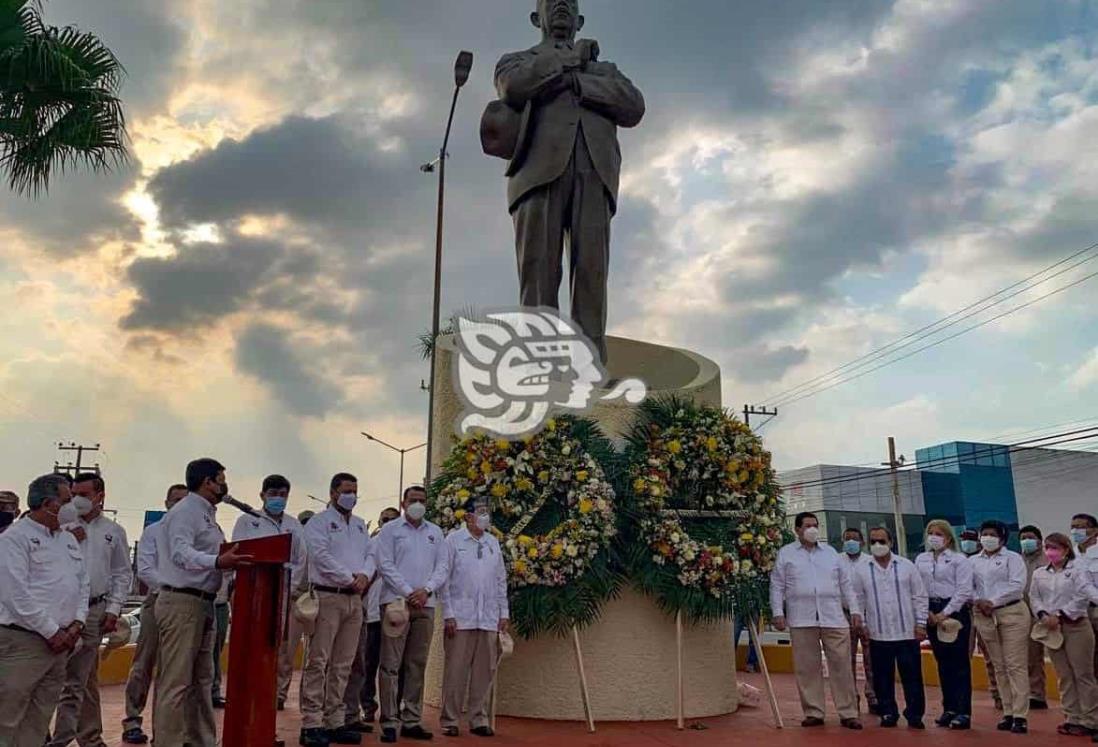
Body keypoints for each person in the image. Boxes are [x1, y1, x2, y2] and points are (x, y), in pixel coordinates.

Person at [491, 0, 646, 363]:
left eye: (570, 3)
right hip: (537, 175)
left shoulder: (606, 70)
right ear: (536, 18)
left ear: (579, 19)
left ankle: (590, 366)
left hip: (595, 172)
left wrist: (578, 81)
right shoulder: (516, 61)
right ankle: (541, 365)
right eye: (551, 2)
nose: (561, 5)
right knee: (539, 274)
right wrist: (571, 60)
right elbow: (514, 87)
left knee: (591, 274)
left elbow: (633, 106)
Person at [152, 458, 252, 747]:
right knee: (176, 683)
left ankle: (202, 741)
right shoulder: (186, 512)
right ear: (207, 482)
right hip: (182, 603)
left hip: (205, 603)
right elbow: (181, 554)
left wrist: (230, 563)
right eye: (221, 479)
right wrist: (218, 561)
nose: (224, 485)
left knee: (202, 681)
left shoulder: (207, 514)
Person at [0, 474, 87, 745]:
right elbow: (15, 594)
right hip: (24, 642)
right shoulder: (15, 538)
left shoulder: (68, 539)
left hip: (61, 644)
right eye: (67, 500)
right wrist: (52, 632)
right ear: (49, 504)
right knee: (7, 717)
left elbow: (81, 583)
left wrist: (77, 624)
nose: (73, 506)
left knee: (38, 719)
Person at [47, 473, 133, 747]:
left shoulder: (114, 532)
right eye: (74, 494)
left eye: (84, 494)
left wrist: (114, 608)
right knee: (51, 676)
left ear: (100, 496)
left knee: (82, 679)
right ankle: (44, 735)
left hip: (94, 610)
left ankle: (89, 737)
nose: (78, 500)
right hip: (59, 611)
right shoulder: (59, 527)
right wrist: (65, 538)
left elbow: (122, 573)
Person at [769, 512, 863, 729]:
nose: (813, 529)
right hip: (801, 617)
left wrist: (855, 610)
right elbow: (777, 585)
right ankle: (814, 712)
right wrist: (777, 612)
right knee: (807, 667)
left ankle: (848, 712)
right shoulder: (786, 554)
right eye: (808, 525)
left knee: (841, 665)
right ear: (798, 530)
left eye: (815, 525)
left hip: (834, 616)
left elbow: (846, 585)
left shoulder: (831, 553)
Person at [300, 473, 373, 747]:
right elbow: (320, 555)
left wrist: (365, 575)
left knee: (344, 663)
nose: (351, 496)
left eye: (355, 491)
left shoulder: (359, 526)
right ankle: (311, 723)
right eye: (346, 490)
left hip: (355, 600)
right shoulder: (318, 523)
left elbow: (371, 555)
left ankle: (334, 720)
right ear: (332, 493)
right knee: (318, 661)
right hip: (328, 596)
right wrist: (349, 578)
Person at [377, 485, 450, 743]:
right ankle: (389, 720)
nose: (418, 504)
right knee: (390, 665)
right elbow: (384, 564)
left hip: (426, 606)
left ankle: (411, 719)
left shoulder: (435, 532)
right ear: (403, 503)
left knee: (417, 664)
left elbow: (443, 566)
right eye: (413, 500)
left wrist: (426, 590)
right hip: (396, 604)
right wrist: (409, 592)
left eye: (422, 500)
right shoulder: (390, 530)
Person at [229, 474, 308, 713]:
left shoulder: (293, 525)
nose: (278, 499)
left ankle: (277, 694)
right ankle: (249, 689)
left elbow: (300, 559)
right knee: (251, 645)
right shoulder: (247, 521)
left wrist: (289, 587)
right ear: (262, 495)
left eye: (283, 495)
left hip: (284, 593)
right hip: (251, 592)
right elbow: (239, 552)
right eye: (273, 494)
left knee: (283, 647)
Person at [121, 484, 188, 745]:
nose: (180, 504)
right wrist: (170, 588)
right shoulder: (154, 532)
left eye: (185, 500)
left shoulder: (194, 532)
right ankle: (132, 720)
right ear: (167, 502)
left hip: (186, 606)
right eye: (175, 500)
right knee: (143, 663)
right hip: (158, 601)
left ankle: (167, 728)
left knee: (175, 670)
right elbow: (145, 569)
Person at [439, 498, 510, 737]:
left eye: (487, 513)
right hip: (461, 618)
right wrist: (448, 613)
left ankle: (478, 718)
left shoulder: (493, 543)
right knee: (455, 671)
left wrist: (504, 612)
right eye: (480, 512)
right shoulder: (453, 540)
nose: (485, 517)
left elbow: (501, 580)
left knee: (485, 670)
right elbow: (444, 580)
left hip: (488, 618)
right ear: (468, 516)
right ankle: (450, 719)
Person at [852, 527, 928, 729]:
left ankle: (915, 714)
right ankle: (888, 712)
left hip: (907, 632)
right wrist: (863, 626)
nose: (878, 545)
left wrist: (921, 624)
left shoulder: (906, 566)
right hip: (878, 633)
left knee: (912, 677)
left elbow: (919, 596)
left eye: (882, 541)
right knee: (882, 678)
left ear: (891, 542)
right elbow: (858, 600)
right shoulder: (861, 569)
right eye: (873, 541)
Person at [1029, 532, 1098, 737]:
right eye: (1047, 547)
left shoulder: (1078, 571)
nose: (1051, 552)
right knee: (1064, 675)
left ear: (1066, 549)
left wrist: (1060, 614)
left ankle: (1091, 719)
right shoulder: (1039, 573)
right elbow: (1034, 597)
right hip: (1050, 628)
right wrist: (1043, 615)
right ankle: (1072, 717)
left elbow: (1082, 596)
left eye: (1055, 548)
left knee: (1083, 674)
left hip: (1075, 625)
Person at [343, 506, 401, 732]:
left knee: (394, 666)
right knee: (366, 664)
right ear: (378, 521)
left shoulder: (402, 544)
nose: (388, 523)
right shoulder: (371, 544)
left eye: (393, 519)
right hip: (372, 614)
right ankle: (365, 707)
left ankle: (394, 710)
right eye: (384, 519)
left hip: (396, 612)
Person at [971, 520, 1031, 734]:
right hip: (985, 616)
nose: (987, 538)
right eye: (984, 534)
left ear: (1002, 538)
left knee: (1015, 664)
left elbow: (1017, 586)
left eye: (992, 534)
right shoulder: (972, 562)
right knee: (999, 665)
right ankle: (1007, 711)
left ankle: (1021, 714)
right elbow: (968, 586)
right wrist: (979, 600)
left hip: (1011, 612)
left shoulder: (1013, 558)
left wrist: (993, 601)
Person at [915, 520, 973, 729]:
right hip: (929, 609)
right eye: (930, 533)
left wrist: (944, 613)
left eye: (938, 533)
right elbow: (918, 587)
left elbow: (964, 590)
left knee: (959, 664)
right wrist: (927, 612)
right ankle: (948, 707)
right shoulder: (921, 559)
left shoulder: (959, 560)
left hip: (954, 611)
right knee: (943, 662)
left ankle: (963, 711)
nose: (934, 537)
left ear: (948, 538)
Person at [961, 528, 1002, 709]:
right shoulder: (959, 560)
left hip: (987, 612)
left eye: (971, 539)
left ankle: (998, 694)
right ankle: (962, 698)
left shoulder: (988, 561)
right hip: (965, 612)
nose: (967, 542)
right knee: (963, 657)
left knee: (992, 656)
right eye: (964, 539)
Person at [841, 527, 877, 715]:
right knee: (847, 659)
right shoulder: (837, 561)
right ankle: (850, 699)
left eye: (854, 539)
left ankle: (873, 697)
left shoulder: (870, 562)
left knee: (872, 659)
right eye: (847, 539)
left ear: (862, 542)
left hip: (868, 614)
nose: (851, 543)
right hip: (844, 614)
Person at [1019, 524, 1049, 710]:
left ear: (1039, 540)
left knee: (1043, 655)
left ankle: (1040, 694)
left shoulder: (1047, 560)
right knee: (1028, 655)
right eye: (1023, 538)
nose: (1026, 541)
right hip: (1022, 611)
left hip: (1045, 612)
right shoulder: (1016, 560)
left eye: (1030, 537)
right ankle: (1032, 694)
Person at [1072, 513, 1098, 678]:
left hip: (1096, 609)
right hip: (1077, 613)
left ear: (1094, 531)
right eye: (1073, 527)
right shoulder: (1069, 556)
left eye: (1081, 527)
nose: (1076, 531)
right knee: (1084, 658)